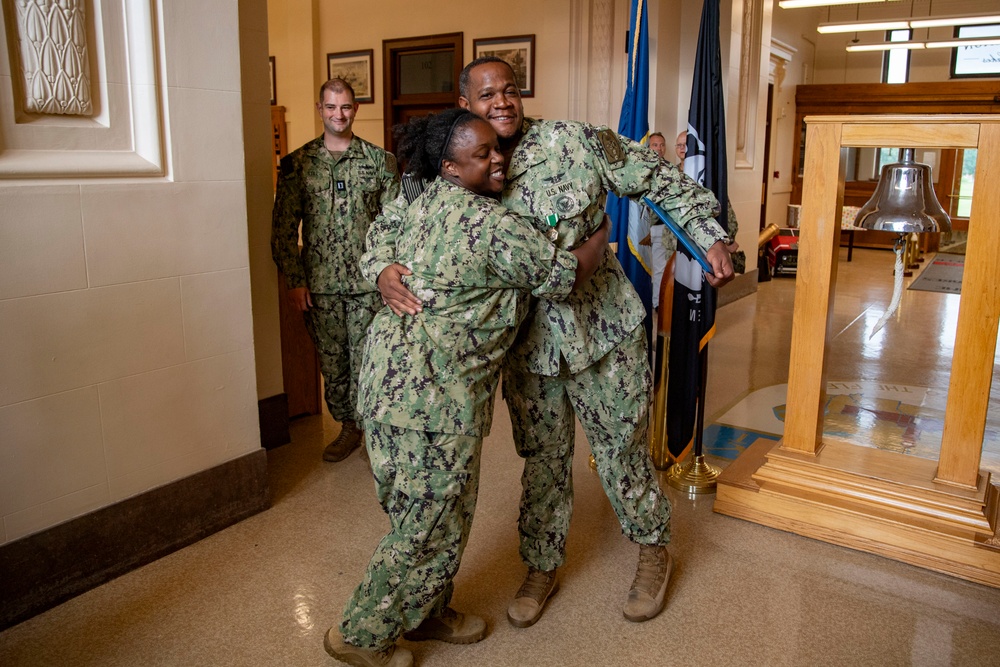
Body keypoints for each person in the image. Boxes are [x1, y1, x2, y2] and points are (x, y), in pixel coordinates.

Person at [370, 56, 736, 630]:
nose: (502, 103)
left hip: (603, 332)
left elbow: (654, 175)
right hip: (522, 347)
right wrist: (381, 268)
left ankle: (651, 550)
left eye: (510, 90)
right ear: (466, 104)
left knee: (622, 449)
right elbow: (388, 227)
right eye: (487, 94)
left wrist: (709, 238)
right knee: (542, 460)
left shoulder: (573, 141)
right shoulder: (444, 165)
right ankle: (541, 564)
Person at [325, 109, 611, 667]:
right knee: (427, 522)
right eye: (483, 154)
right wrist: (599, 235)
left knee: (431, 512)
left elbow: (377, 236)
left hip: (386, 390)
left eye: (496, 149)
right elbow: (567, 276)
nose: (498, 158)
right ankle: (359, 635)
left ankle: (427, 610)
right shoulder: (491, 227)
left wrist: (380, 264)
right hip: (433, 402)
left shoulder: (419, 200)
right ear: (452, 168)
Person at [271, 78, 400, 463]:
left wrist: (389, 275)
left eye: (345, 107)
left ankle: (372, 430)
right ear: (320, 109)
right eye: (331, 107)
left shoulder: (380, 162)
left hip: (368, 286)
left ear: (355, 109)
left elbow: (396, 223)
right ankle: (348, 427)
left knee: (370, 361)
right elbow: (282, 228)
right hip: (320, 287)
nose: (338, 114)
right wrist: (295, 281)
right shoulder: (298, 164)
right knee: (333, 364)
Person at [673, 130, 746, 273]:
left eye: (685, 144)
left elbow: (726, 211)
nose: (682, 148)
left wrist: (728, 239)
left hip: (702, 245)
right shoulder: (670, 175)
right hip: (674, 243)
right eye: (679, 145)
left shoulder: (706, 176)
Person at [640, 132, 669, 308]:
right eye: (654, 145)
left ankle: (659, 303)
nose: (659, 148)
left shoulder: (669, 170)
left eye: (662, 145)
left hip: (662, 226)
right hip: (643, 226)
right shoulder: (641, 170)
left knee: (661, 268)